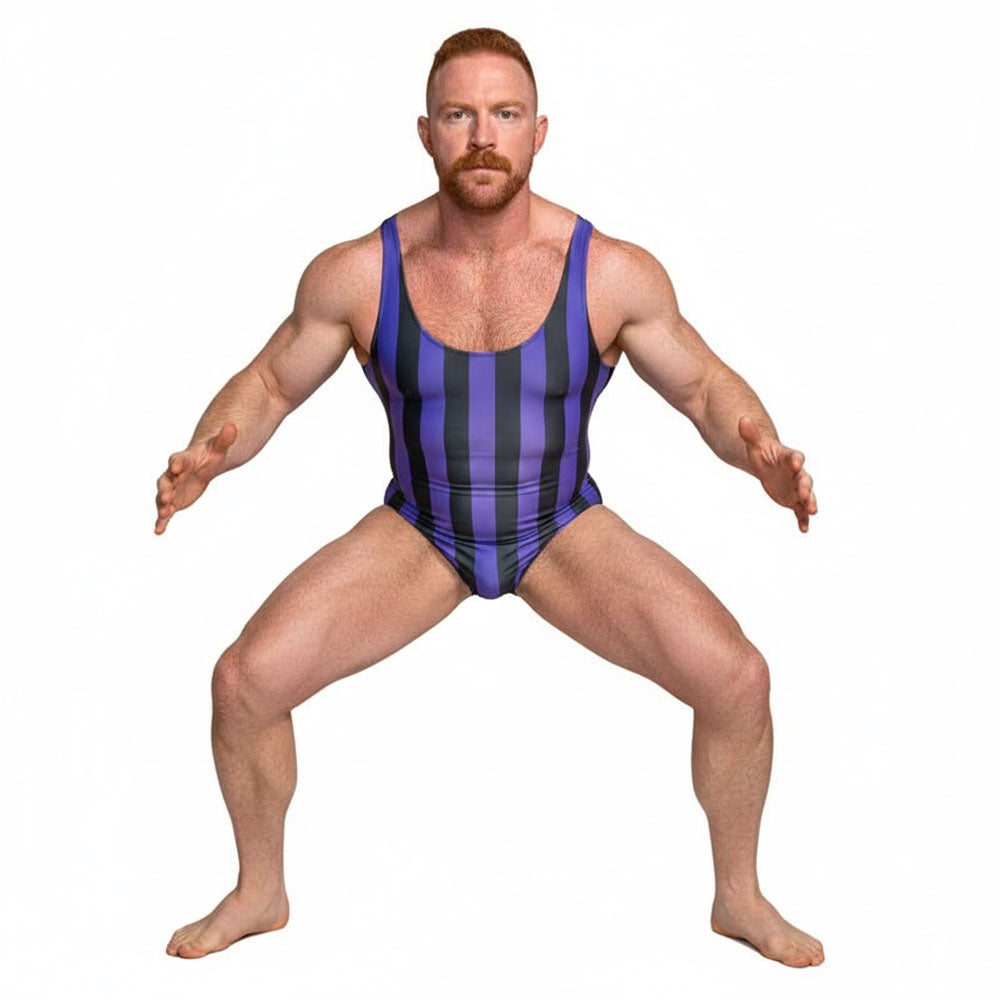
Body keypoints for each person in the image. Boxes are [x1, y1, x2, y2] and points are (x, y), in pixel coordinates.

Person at [157, 27, 822, 967]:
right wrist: (208, 454)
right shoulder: (358, 272)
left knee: (737, 679)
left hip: (560, 528)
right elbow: (267, 385)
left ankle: (739, 898)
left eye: (505, 114)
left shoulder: (608, 271)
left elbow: (708, 390)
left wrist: (762, 452)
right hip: (421, 531)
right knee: (244, 683)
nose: (482, 136)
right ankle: (259, 890)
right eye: (459, 115)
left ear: (538, 131)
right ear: (425, 132)